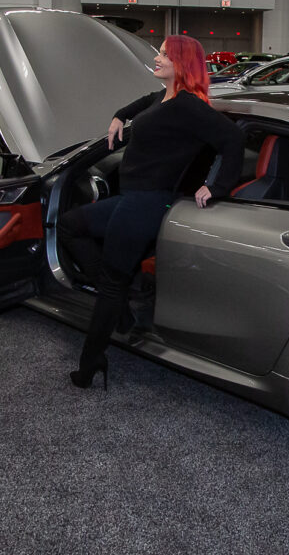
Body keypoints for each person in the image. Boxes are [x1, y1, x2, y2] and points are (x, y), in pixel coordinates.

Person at [58, 35, 244, 389]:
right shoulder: (164, 96)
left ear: (181, 63)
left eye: (164, 54)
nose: (157, 58)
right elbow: (142, 103)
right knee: (70, 226)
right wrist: (119, 116)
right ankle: (122, 314)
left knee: (112, 283)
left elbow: (232, 139)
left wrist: (217, 186)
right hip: (130, 198)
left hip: (147, 203)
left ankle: (90, 363)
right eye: (159, 52)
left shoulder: (189, 105)